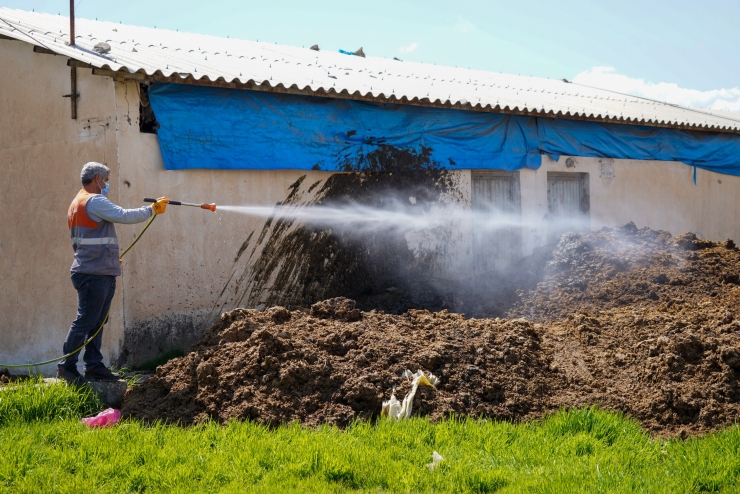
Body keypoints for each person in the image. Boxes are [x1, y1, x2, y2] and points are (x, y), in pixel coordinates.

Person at [58, 162, 169, 385]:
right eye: (106, 180)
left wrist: (106, 257)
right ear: (97, 178)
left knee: (97, 320)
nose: (106, 184)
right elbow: (123, 215)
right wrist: (152, 210)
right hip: (94, 273)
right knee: (86, 320)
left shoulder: (76, 203)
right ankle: (67, 367)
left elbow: (85, 241)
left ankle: (94, 365)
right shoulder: (94, 200)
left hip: (94, 269)